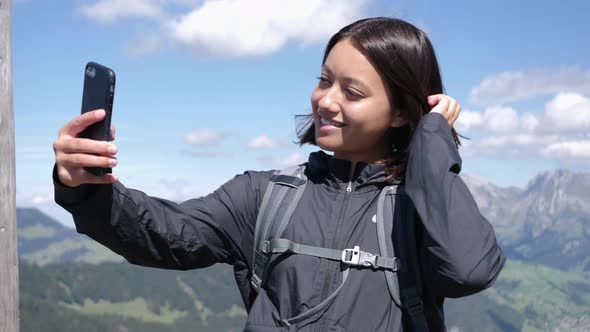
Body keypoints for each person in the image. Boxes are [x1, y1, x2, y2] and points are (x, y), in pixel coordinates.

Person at [53, 17, 506, 332]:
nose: (326, 100)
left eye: (352, 91)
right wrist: (83, 187)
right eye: (325, 79)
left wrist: (431, 145)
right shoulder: (263, 195)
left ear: (403, 111)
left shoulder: (420, 208)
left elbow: (468, 270)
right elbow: (166, 234)